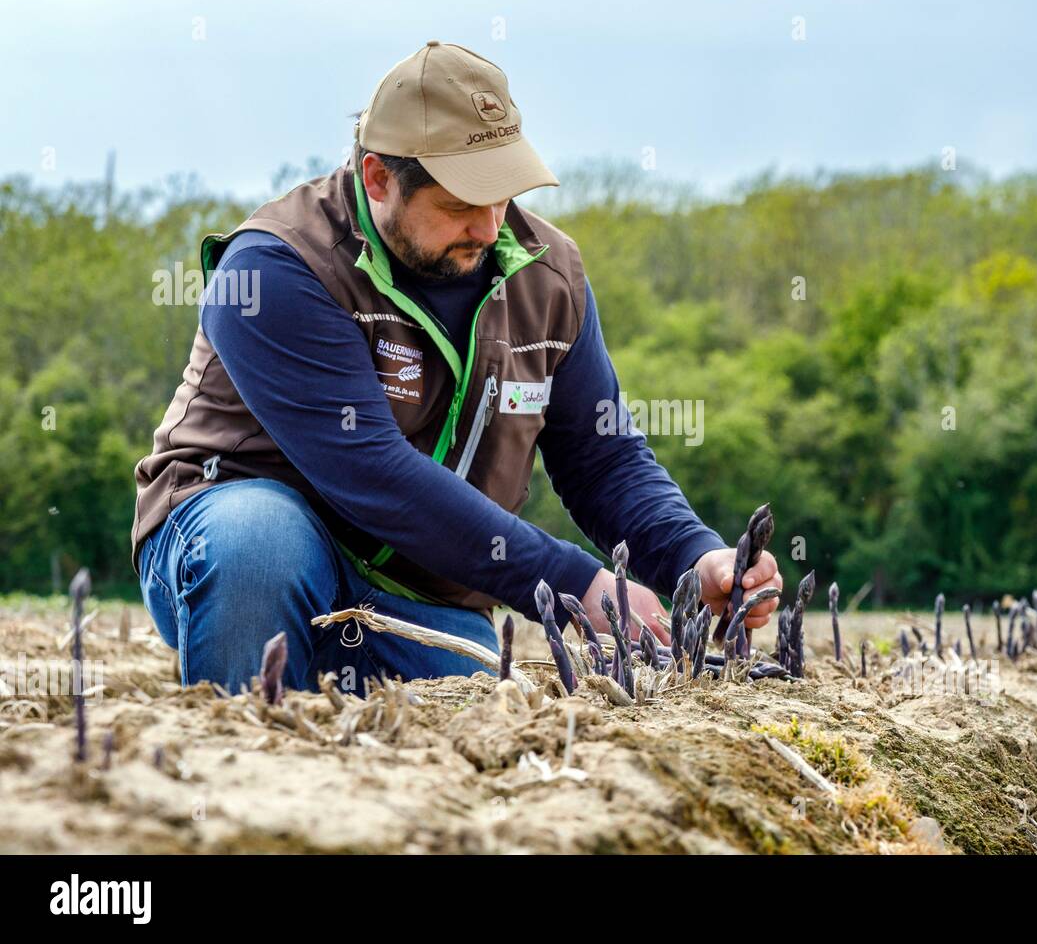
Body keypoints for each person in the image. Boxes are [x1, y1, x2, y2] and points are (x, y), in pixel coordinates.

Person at [132, 41, 781, 694]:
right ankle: (244, 736)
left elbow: (603, 460)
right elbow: (372, 473)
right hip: (232, 545)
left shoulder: (549, 276)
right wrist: (575, 583)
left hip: (420, 595)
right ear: (378, 178)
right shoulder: (276, 270)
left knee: (487, 713)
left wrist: (695, 559)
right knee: (260, 541)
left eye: (503, 195)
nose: (489, 224)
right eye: (460, 203)